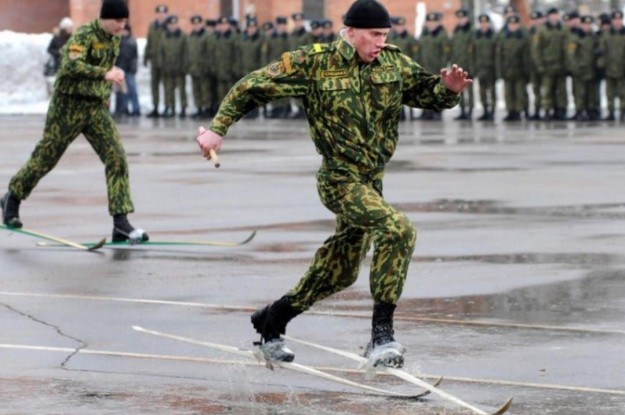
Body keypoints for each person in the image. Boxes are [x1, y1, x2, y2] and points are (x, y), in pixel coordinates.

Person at [196, 0, 471, 367]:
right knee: (398, 229)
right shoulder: (314, 62)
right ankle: (381, 336)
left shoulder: (392, 62)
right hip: (339, 178)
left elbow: (426, 92)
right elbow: (253, 86)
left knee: (340, 271)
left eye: (385, 35)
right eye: (374, 35)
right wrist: (218, 129)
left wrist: (448, 88)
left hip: (372, 182)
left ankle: (272, 319)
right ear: (351, 30)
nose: (380, 42)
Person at [1, 0, 149, 244]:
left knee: (116, 157)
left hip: (94, 108)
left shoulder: (114, 38)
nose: (122, 27)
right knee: (45, 158)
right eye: (118, 21)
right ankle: (12, 198)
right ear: (105, 18)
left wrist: (111, 80)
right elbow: (70, 65)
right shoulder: (83, 35)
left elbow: (104, 66)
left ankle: (120, 222)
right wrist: (103, 74)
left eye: (125, 22)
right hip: (68, 106)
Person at [144, 4, 169, 118]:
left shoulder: (169, 26)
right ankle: (155, 107)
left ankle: (168, 107)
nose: (161, 15)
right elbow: (149, 42)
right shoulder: (152, 26)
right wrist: (145, 57)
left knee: (166, 85)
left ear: (166, 14)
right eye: (159, 13)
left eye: (163, 13)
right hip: (154, 60)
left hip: (165, 61)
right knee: (154, 85)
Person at [114, 23, 140, 117]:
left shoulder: (131, 41)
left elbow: (134, 57)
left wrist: (133, 68)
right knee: (121, 91)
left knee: (132, 90)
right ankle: (124, 108)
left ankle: (136, 109)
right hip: (121, 69)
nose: (124, 32)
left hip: (129, 69)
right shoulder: (119, 41)